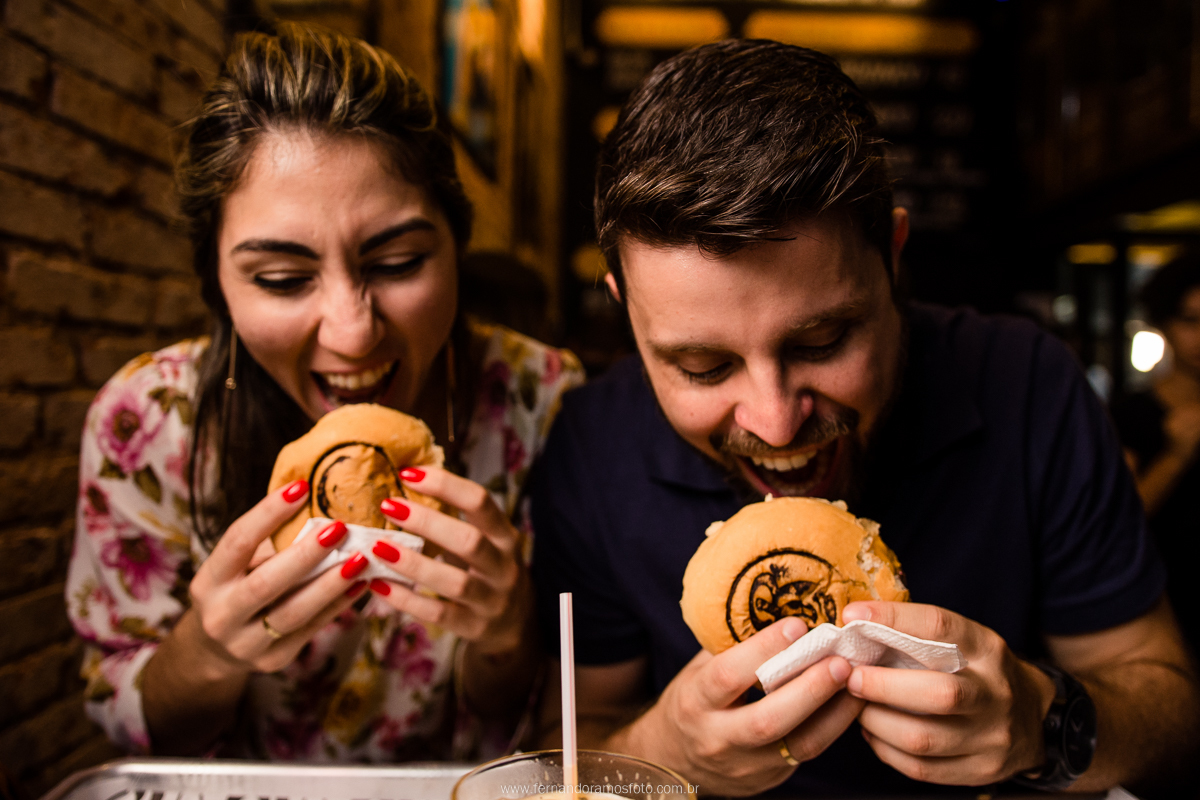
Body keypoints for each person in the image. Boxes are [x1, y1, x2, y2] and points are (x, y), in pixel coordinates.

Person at [530, 40, 1198, 797]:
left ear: (893, 257)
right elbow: (567, 744)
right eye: (702, 367)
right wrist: (667, 754)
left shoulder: (1026, 383)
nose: (776, 423)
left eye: (822, 341)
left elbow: (1168, 709)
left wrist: (1041, 724)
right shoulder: (591, 443)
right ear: (626, 309)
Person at [66, 22, 583, 761]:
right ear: (216, 283)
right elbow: (133, 728)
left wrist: (504, 634)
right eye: (281, 279)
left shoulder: (547, 400)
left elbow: (542, 721)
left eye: (399, 262)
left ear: (457, 248)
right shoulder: (148, 423)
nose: (352, 332)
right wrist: (207, 652)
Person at [1113, 254, 1200, 654]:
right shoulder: (1132, 413)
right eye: (1190, 321)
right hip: (1163, 600)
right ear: (1165, 323)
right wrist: (1176, 457)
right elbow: (1117, 518)